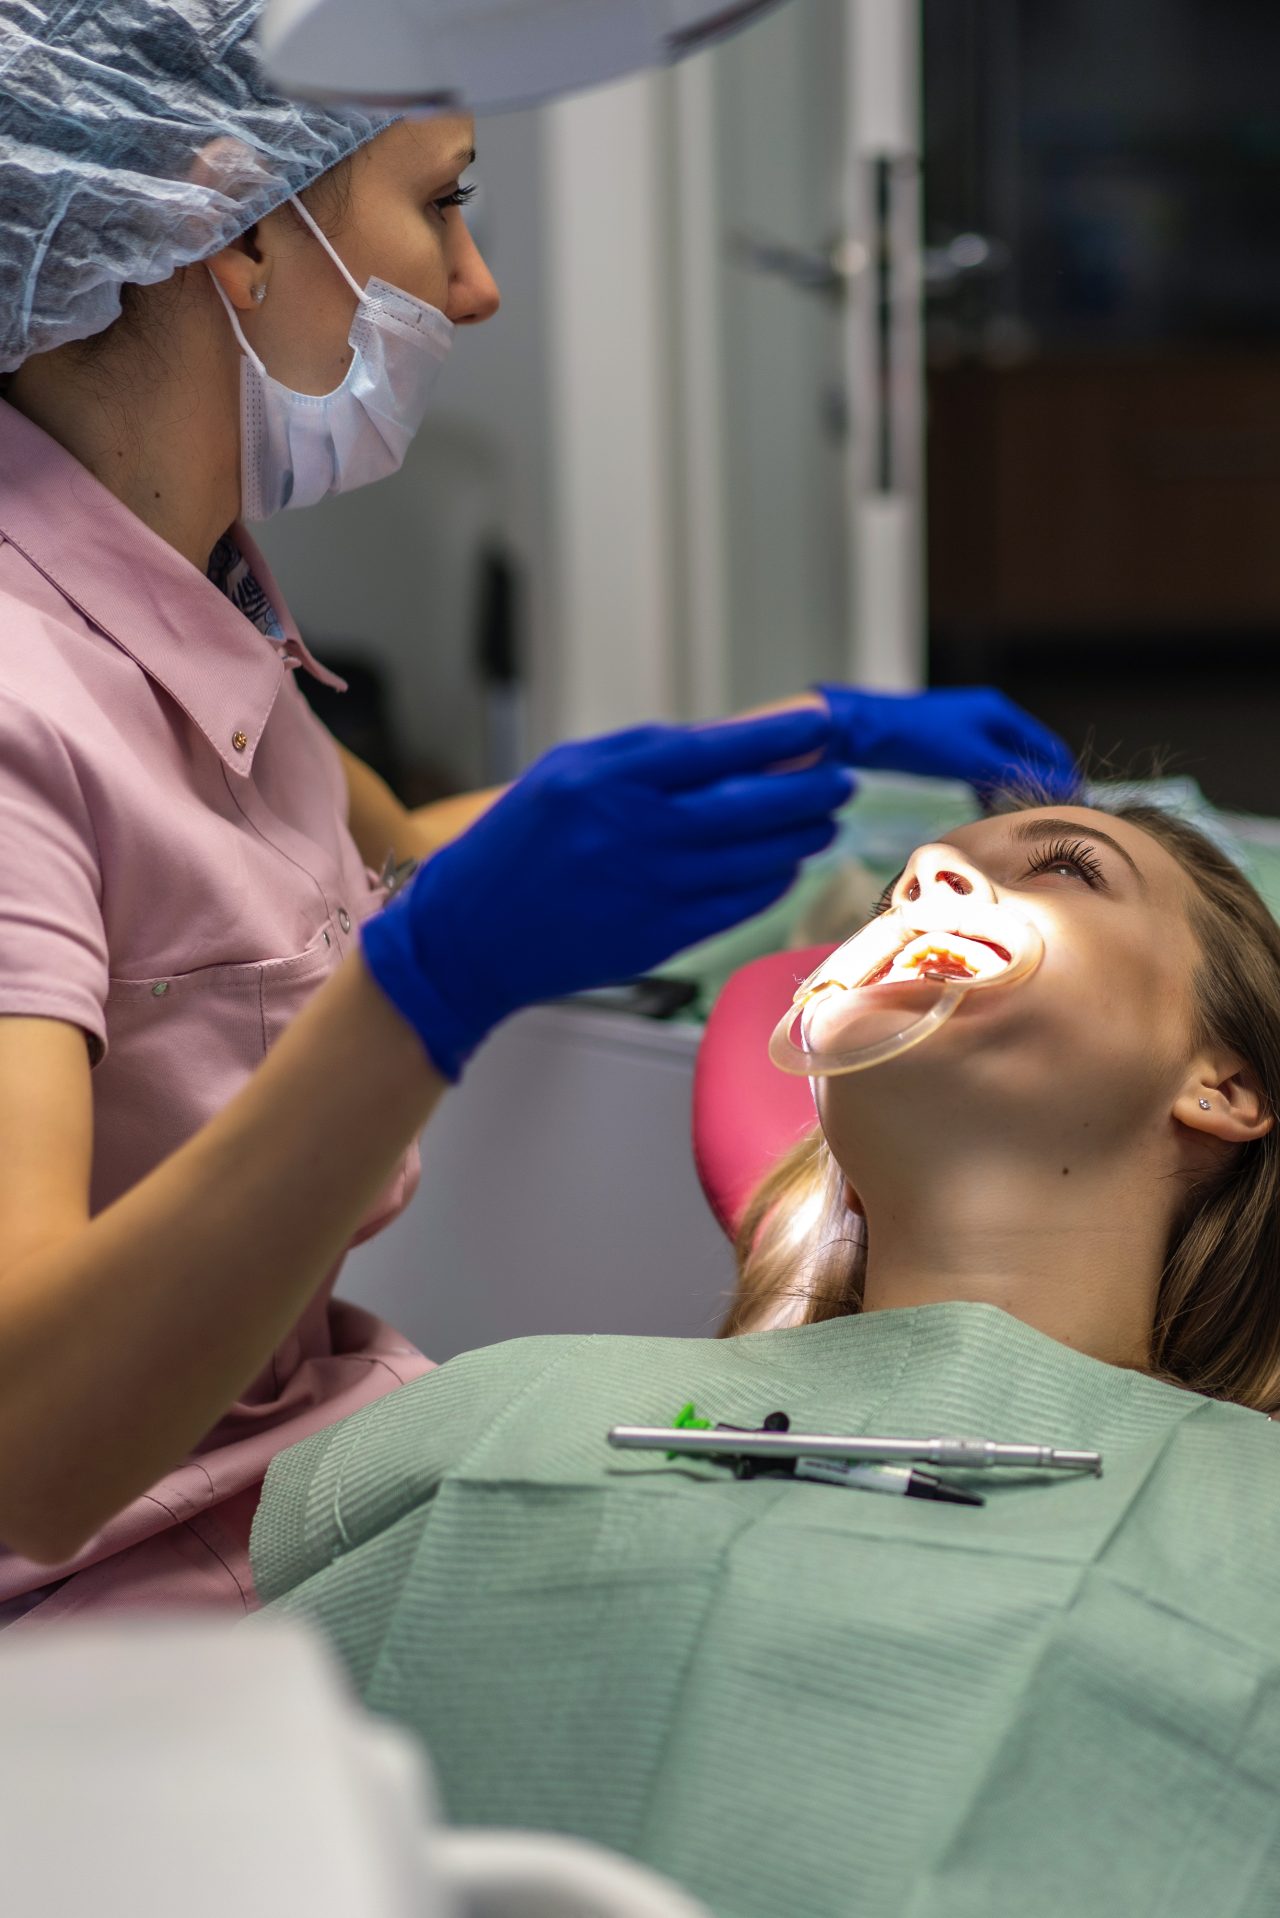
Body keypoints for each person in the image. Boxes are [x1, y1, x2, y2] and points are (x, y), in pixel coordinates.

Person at [0, 0, 1075, 1626]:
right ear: (226, 226)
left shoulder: (186, 601)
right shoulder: (19, 697)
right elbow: (29, 1443)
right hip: (111, 1611)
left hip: (300, 1467)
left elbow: (395, 847)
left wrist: (826, 741)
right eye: (443, 203)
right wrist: (422, 988)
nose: (479, 285)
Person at [251, 798, 1280, 1918]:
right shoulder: (504, 1403)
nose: (927, 872)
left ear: (1220, 1085)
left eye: (1069, 871)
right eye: (900, 890)